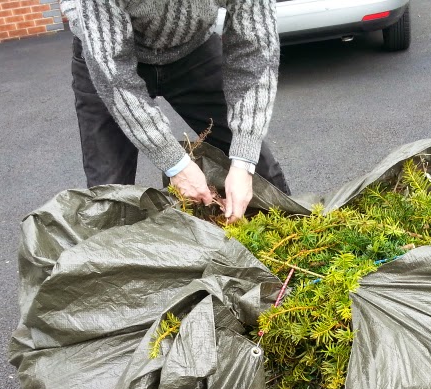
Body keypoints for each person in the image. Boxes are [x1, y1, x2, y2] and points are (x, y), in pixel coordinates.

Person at [60, 0, 291, 223]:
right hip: (107, 53)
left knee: (261, 173)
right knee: (108, 192)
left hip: (193, 49)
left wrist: (243, 163)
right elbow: (115, 79)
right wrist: (175, 164)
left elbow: (255, 54)